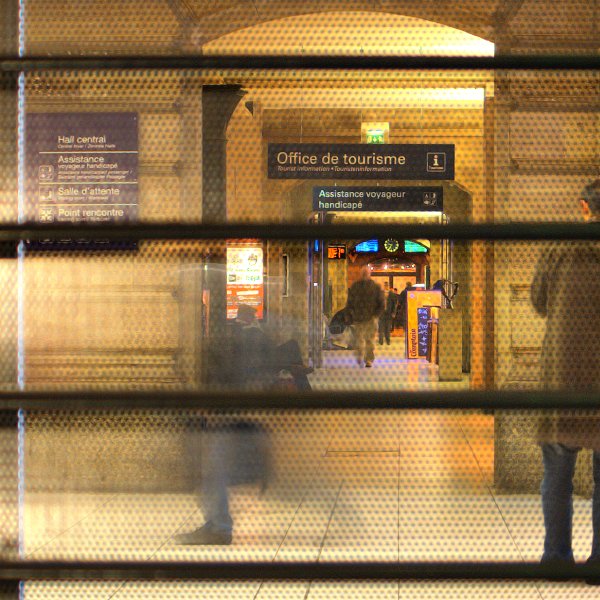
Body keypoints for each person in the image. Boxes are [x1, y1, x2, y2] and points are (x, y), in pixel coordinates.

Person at [531, 179, 600, 579]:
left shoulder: (560, 245)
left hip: (563, 375)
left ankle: (556, 557)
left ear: (583, 206)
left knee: (557, 475)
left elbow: (539, 301)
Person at [346, 266, 384, 367]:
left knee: (366, 340)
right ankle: (363, 357)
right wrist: (351, 314)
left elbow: (381, 302)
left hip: (367, 318)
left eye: (365, 273)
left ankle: (367, 359)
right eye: (364, 273)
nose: (364, 275)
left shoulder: (370, 286)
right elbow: (350, 303)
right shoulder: (361, 286)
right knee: (363, 340)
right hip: (362, 318)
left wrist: (376, 315)